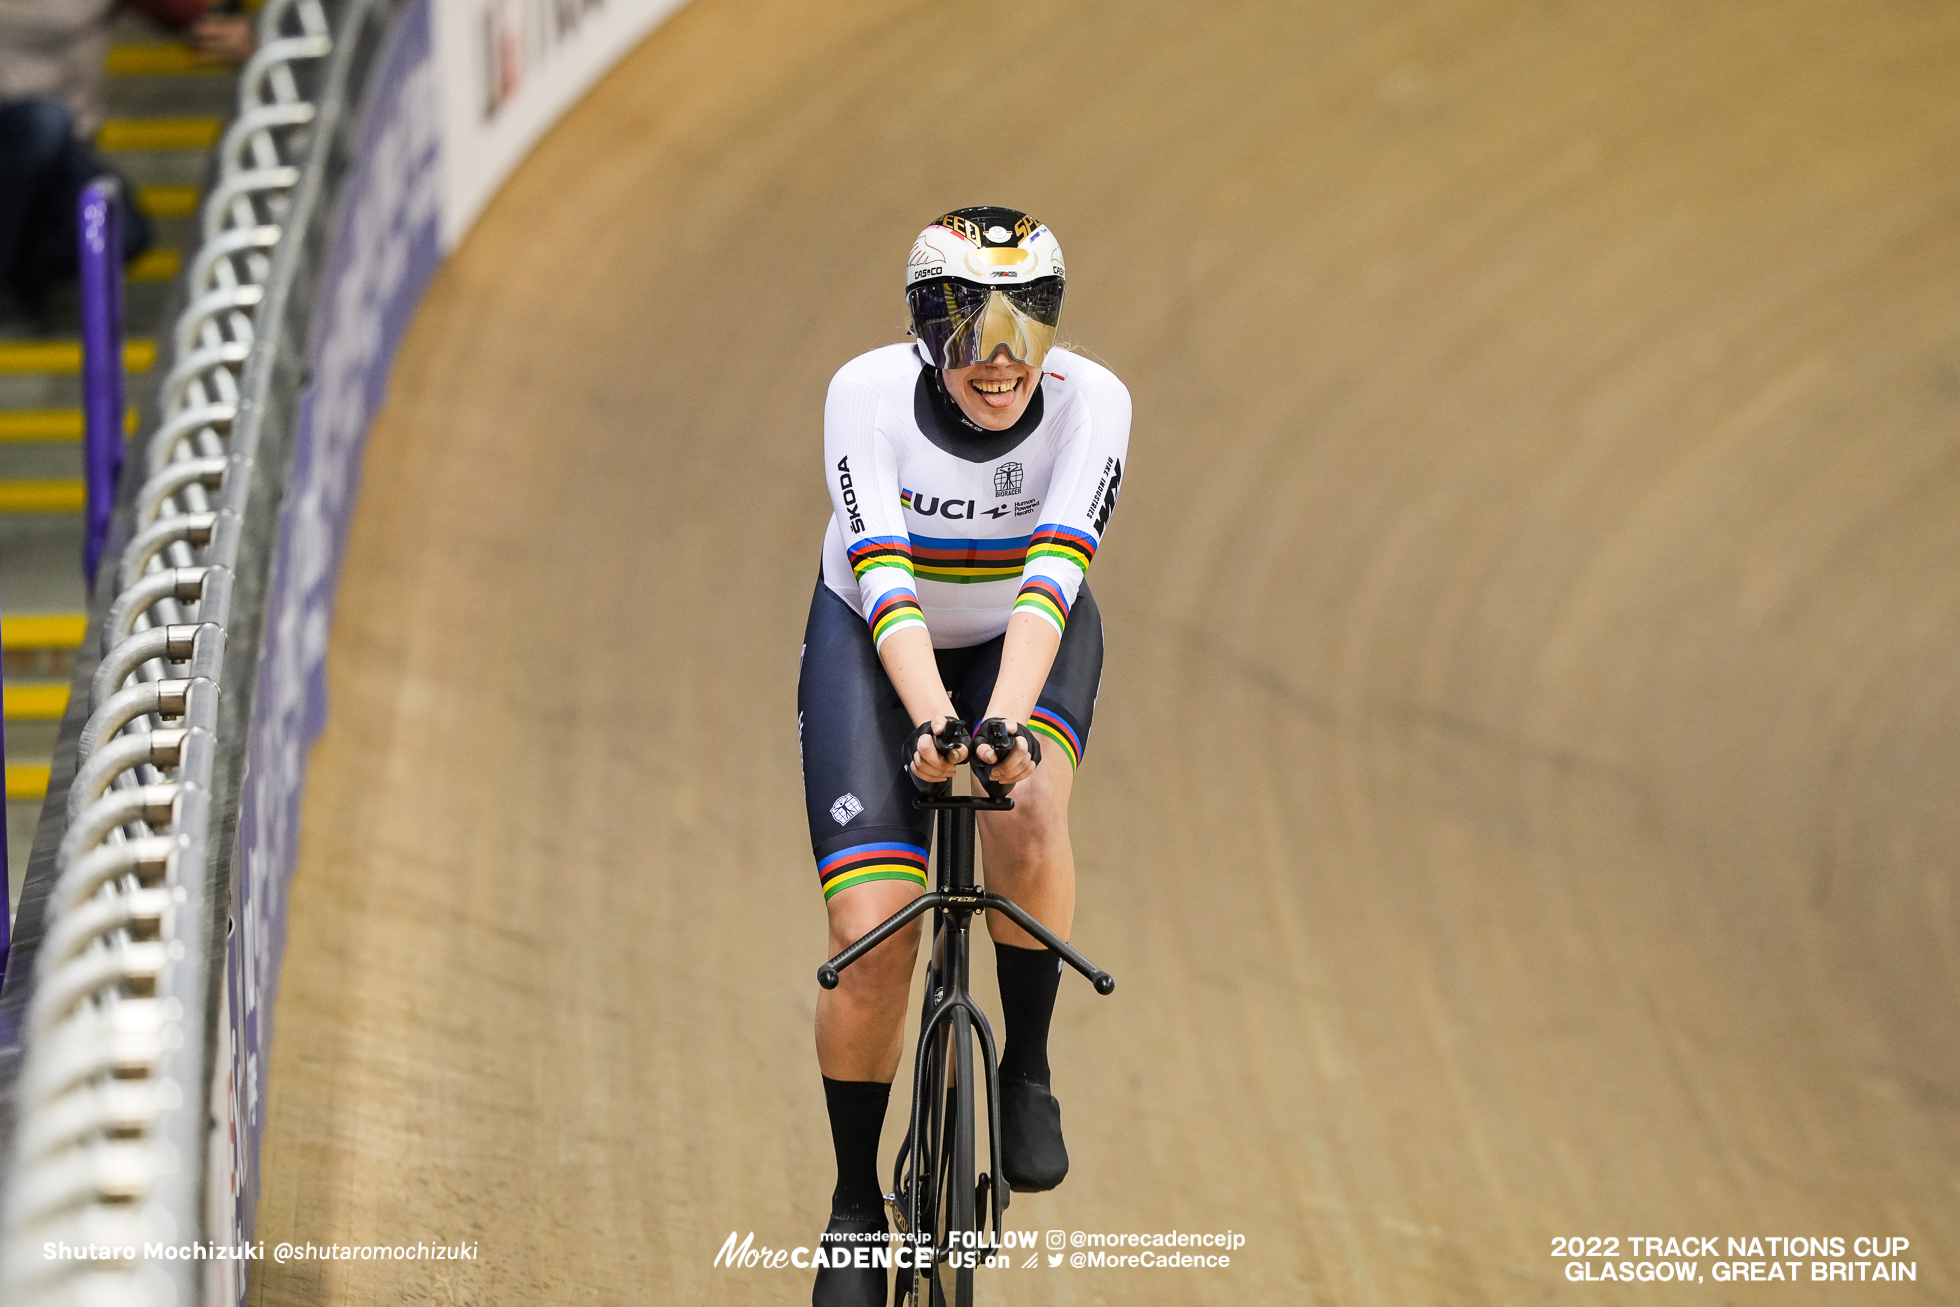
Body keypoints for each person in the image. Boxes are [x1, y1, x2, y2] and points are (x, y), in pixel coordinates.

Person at [798, 206, 1130, 1306]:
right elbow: (882, 575)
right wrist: (934, 717)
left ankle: (1025, 1062)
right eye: (973, 332)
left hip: (1018, 636)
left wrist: (997, 732)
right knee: (868, 932)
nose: (1003, 364)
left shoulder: (1096, 404)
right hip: (876, 639)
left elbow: (1054, 576)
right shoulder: (862, 394)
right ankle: (854, 1203)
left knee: (1024, 809)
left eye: (1029, 331)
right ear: (921, 330)